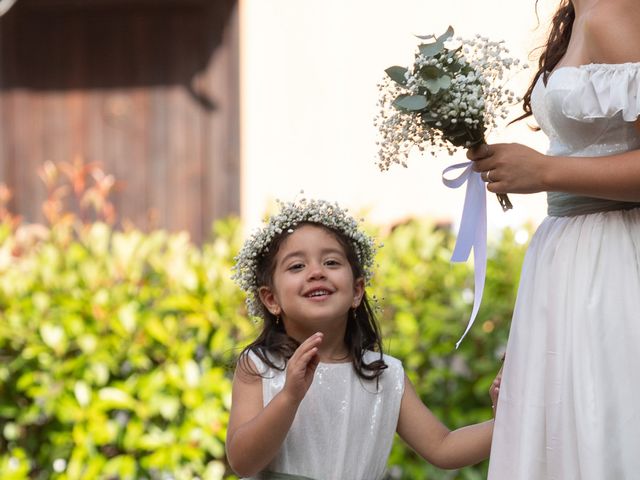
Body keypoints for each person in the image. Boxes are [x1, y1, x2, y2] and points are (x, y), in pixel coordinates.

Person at [467, 0, 640, 478]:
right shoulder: (580, 16)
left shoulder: (619, 13)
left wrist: (544, 170)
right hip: (565, 259)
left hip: (611, 262)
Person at [226, 198, 502, 480]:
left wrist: (507, 419)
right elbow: (242, 461)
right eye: (297, 266)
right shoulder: (260, 366)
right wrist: (289, 396)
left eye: (331, 262)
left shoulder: (385, 375)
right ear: (271, 298)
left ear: (357, 290)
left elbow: (444, 448)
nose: (316, 272)